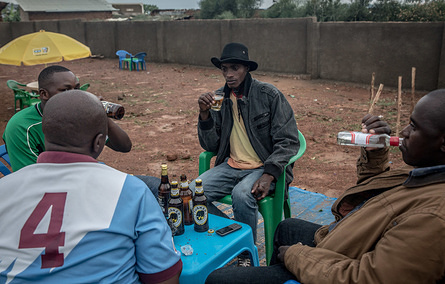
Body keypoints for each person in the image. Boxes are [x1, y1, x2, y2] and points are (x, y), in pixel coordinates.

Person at [206, 88, 445, 283]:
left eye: (415, 127)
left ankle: (256, 258)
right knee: (285, 227)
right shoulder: (429, 171)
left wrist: (297, 256)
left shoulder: (435, 218)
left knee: (218, 278)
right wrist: (375, 155)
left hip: (344, 261)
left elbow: (368, 277)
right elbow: (376, 199)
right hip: (348, 240)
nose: (404, 132)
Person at [0, 90, 182, 283]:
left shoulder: (4, 187)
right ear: (99, 142)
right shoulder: (130, 190)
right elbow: (163, 277)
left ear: (45, 137)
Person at [190, 42, 300, 265]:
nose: (229, 75)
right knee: (192, 193)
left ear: (246, 69)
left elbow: (288, 141)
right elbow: (209, 145)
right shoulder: (219, 99)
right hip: (231, 165)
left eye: (235, 68)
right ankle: (235, 236)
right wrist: (204, 115)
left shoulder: (268, 95)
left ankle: (245, 253)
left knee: (242, 194)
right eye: (224, 69)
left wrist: (269, 174)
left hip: (262, 166)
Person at [2, 65, 160, 196]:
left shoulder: (80, 114)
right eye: (65, 90)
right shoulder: (21, 126)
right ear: (44, 94)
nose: (75, 95)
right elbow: (32, 183)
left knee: (158, 187)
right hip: (63, 193)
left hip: (89, 177)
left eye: (77, 89)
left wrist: (101, 115)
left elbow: (124, 146)